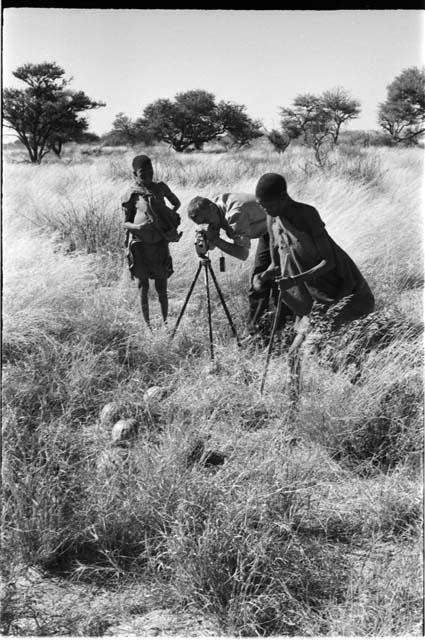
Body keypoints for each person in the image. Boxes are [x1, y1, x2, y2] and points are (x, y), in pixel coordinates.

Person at [252, 173, 375, 348]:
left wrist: (295, 280)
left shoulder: (307, 215)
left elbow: (328, 262)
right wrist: (262, 277)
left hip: (338, 291)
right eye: (261, 206)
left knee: (334, 351)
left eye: (268, 205)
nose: (265, 210)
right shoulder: (272, 218)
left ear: (282, 197)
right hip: (311, 300)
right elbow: (276, 265)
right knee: (295, 356)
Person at [187, 192, 283, 335]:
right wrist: (205, 238)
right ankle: (257, 333)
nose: (207, 224)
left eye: (207, 220)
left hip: (281, 230)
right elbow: (213, 239)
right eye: (202, 223)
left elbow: (242, 253)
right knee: (258, 285)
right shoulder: (213, 208)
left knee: (276, 283)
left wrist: (216, 240)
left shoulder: (234, 214)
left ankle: (281, 331)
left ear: (212, 208)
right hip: (267, 232)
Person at [121, 155, 182, 328]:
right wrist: (139, 228)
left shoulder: (160, 188)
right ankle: (147, 326)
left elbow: (176, 203)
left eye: (150, 170)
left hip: (159, 244)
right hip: (140, 245)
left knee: (162, 286)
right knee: (143, 286)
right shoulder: (131, 193)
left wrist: (166, 217)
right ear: (135, 173)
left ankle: (165, 323)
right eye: (142, 172)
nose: (147, 174)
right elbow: (125, 222)